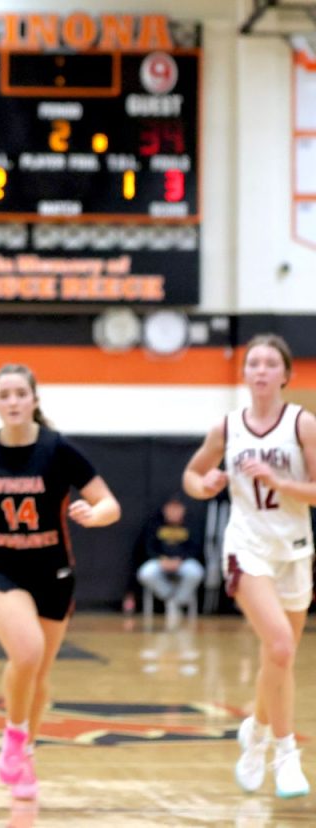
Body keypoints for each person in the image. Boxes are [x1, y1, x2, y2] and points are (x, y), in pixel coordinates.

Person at [0, 363, 120, 800]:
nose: (12, 402)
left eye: (19, 394)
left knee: (39, 673)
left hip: (54, 574)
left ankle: (25, 752)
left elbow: (109, 504)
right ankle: (12, 737)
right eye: (4, 395)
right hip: (2, 571)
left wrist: (93, 513)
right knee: (26, 652)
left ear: (33, 400)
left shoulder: (58, 450)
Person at [182, 333, 316, 798]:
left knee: (279, 656)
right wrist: (206, 483)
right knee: (278, 644)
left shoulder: (303, 424)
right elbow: (192, 476)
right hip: (246, 548)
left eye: (268, 363)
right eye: (252, 363)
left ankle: (255, 731)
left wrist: (281, 482)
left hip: (294, 549)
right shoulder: (227, 427)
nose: (259, 370)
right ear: (245, 375)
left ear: (284, 374)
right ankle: (283, 754)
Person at [129, 494, 205, 628]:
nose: (174, 512)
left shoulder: (192, 524)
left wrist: (180, 560)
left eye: (177, 509)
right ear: (165, 509)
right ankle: (170, 598)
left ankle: (178, 601)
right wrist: (161, 560)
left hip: (183, 562)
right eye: (171, 508)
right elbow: (148, 547)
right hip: (160, 561)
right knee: (146, 573)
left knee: (195, 572)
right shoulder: (154, 523)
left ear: (183, 510)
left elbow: (196, 548)